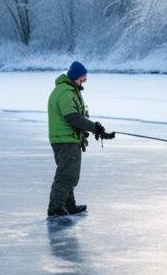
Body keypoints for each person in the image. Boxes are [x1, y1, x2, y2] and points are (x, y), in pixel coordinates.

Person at [47, 61, 113, 217]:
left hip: (67, 138)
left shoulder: (68, 90)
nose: (85, 79)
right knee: (66, 176)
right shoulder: (65, 92)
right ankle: (55, 208)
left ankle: (68, 205)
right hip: (65, 140)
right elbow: (72, 117)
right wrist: (93, 127)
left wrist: (94, 129)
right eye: (83, 76)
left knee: (69, 174)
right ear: (76, 76)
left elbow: (75, 118)